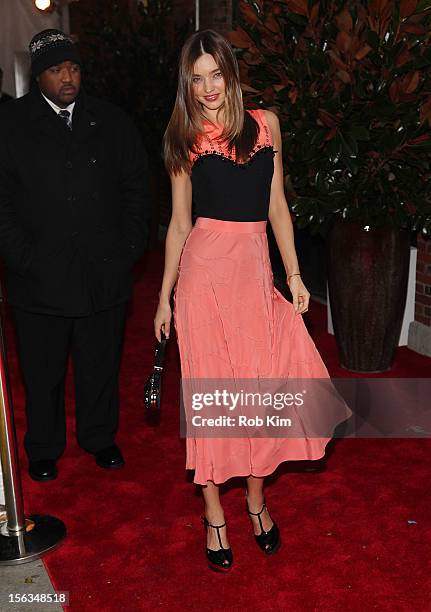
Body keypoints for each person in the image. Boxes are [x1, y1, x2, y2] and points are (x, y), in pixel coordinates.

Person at [155, 29, 351, 572]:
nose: (208, 88)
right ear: (186, 86)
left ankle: (257, 499)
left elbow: (278, 208)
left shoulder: (266, 126)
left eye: (215, 74)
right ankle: (215, 512)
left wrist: (294, 273)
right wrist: (164, 298)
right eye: (196, 80)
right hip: (203, 277)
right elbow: (177, 226)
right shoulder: (183, 137)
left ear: (231, 73)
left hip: (254, 273)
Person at [0, 30, 150, 482]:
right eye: (56, 69)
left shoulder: (110, 121)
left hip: (103, 274)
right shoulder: (10, 125)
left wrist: (127, 250)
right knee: (41, 372)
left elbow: (138, 190)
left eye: (73, 68)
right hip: (37, 279)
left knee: (100, 363)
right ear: (37, 75)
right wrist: (23, 259)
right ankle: (44, 447)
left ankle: (100, 438)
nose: (67, 77)